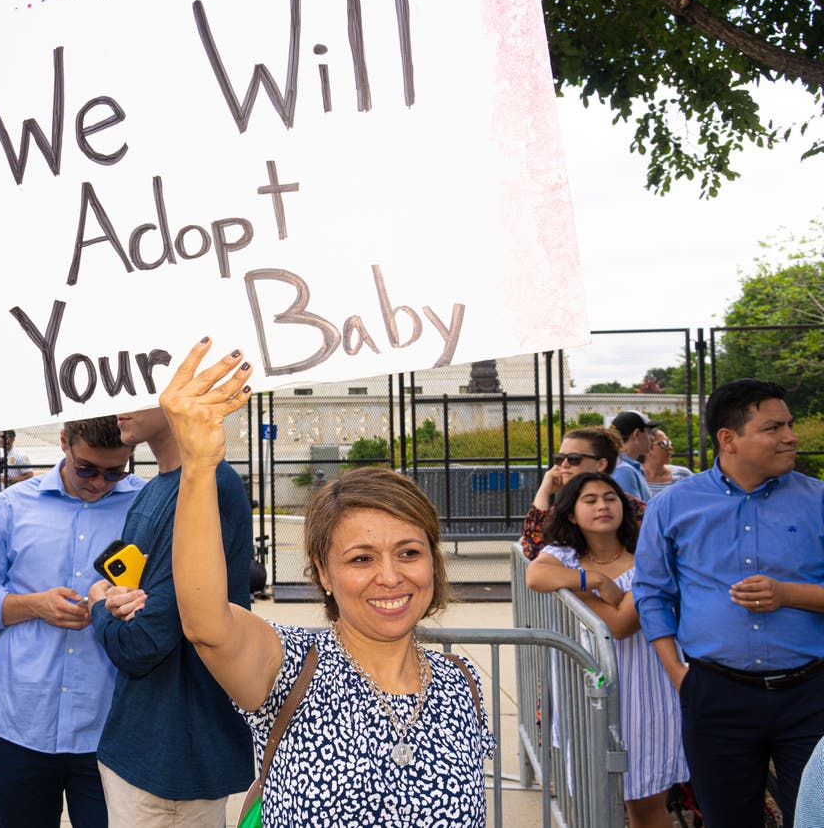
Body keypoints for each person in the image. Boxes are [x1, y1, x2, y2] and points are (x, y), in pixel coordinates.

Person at [160, 340, 495, 827]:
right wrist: (197, 468)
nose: (390, 576)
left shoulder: (461, 684)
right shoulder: (289, 668)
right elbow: (206, 622)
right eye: (361, 558)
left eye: (409, 552)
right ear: (323, 572)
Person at [634, 379, 824, 828]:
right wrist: (677, 674)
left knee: (814, 816)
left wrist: (788, 593)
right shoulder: (674, 505)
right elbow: (652, 592)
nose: (791, 436)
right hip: (715, 695)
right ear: (728, 438)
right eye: (774, 427)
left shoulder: (817, 499)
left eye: (790, 425)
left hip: (812, 695)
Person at [0, 416, 145, 828]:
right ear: (63, 441)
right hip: (21, 721)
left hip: (109, 725)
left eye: (115, 471)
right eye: (86, 469)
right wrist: (33, 605)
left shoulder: (146, 506)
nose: (99, 482)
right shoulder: (12, 505)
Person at [86, 398, 254, 826]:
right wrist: (111, 600)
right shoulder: (157, 488)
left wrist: (97, 605)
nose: (118, 403)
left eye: (136, 388)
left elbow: (139, 642)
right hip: (141, 747)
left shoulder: (208, 484)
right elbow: (132, 608)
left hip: (176, 760)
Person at [526, 472, 688, 828]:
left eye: (610, 498)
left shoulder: (647, 557)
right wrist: (594, 580)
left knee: (644, 803)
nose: (602, 506)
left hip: (644, 692)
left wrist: (574, 591)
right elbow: (535, 576)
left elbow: (619, 625)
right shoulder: (563, 554)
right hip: (584, 694)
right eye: (590, 500)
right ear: (571, 513)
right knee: (590, 797)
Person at [520, 426, 644, 560]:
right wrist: (543, 491)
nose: (565, 464)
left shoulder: (631, 506)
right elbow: (533, 549)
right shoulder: (565, 506)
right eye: (560, 458)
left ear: (601, 464)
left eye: (574, 458)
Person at [609, 411, 658, 501]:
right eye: (649, 433)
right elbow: (635, 512)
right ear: (637, 434)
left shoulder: (627, 466)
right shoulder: (624, 470)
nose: (652, 438)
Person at [642, 429, 693, 495]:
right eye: (664, 443)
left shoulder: (683, 475)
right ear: (647, 447)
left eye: (669, 442)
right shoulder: (634, 476)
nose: (670, 447)